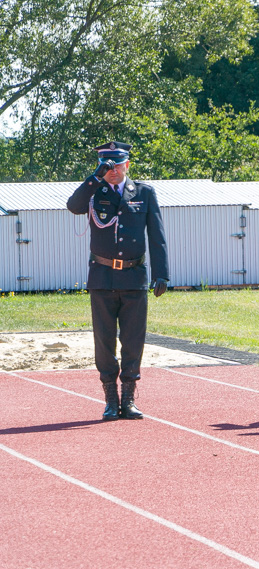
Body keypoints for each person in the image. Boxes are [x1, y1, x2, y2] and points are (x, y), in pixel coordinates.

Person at [66, 141, 169, 420]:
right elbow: (72, 206)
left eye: (117, 165)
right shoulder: (93, 191)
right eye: (107, 166)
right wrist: (95, 177)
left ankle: (129, 398)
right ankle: (110, 399)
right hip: (102, 277)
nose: (113, 170)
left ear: (127, 165)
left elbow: (156, 236)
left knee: (134, 339)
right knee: (104, 339)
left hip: (135, 277)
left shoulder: (144, 193)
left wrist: (162, 273)